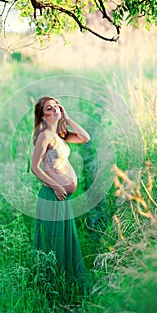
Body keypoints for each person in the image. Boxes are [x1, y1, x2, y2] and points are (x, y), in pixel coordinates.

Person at [31, 96, 90, 295]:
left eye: (56, 105)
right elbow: (34, 167)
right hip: (52, 195)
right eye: (50, 108)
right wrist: (56, 186)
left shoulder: (59, 134)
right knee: (53, 243)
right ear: (42, 116)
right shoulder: (45, 135)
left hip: (62, 197)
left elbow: (85, 138)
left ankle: (65, 286)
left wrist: (67, 118)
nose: (55, 109)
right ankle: (50, 290)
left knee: (63, 241)